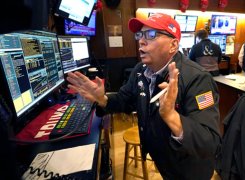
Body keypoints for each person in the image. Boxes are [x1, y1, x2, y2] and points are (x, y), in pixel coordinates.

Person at [66, 13, 221, 179]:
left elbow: (210, 143)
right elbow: (124, 100)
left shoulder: (198, 79)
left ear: (173, 45)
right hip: (162, 159)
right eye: (140, 34)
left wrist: (171, 116)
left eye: (152, 34)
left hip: (188, 168)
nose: (141, 40)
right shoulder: (140, 70)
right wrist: (102, 99)